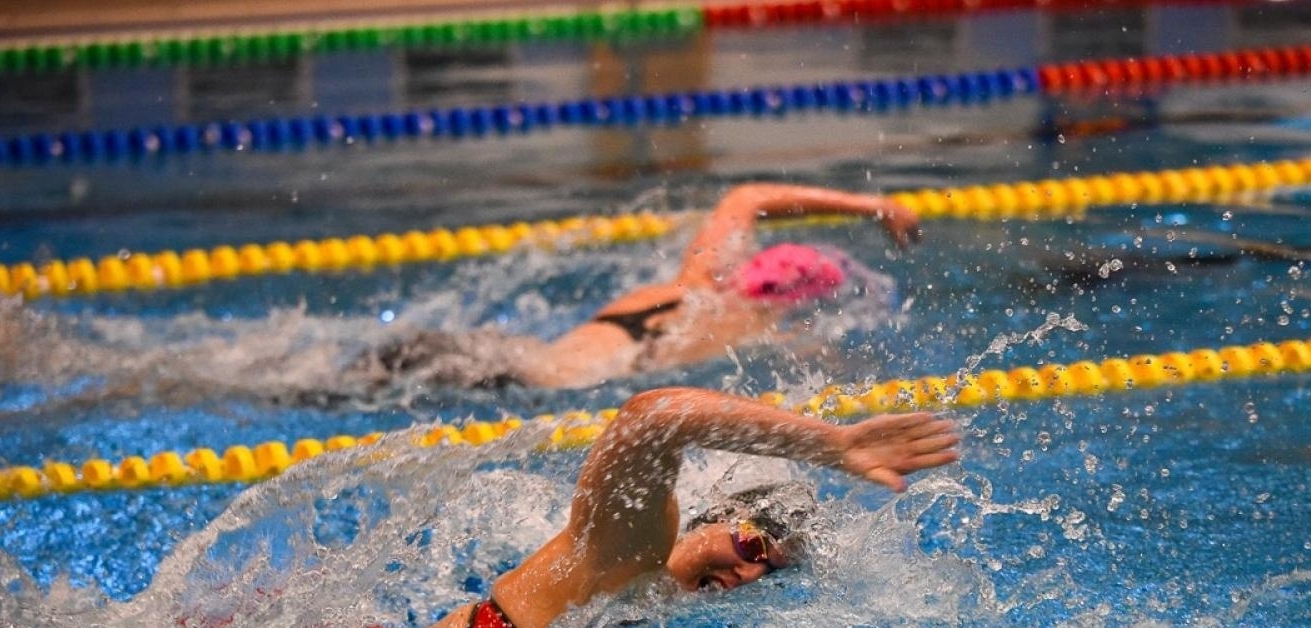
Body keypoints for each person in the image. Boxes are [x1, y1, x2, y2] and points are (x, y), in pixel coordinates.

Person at [296, 386, 959, 628]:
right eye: (755, 547)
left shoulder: (655, 604)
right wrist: (833, 445)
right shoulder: (628, 548)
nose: (752, 575)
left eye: (772, 572)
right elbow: (653, 416)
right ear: (715, 518)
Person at [365, 183, 922, 390]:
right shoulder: (757, 331)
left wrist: (872, 204)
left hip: (515, 353)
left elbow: (746, 197)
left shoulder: (698, 279)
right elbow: (841, 380)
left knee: (367, 372)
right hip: (552, 384)